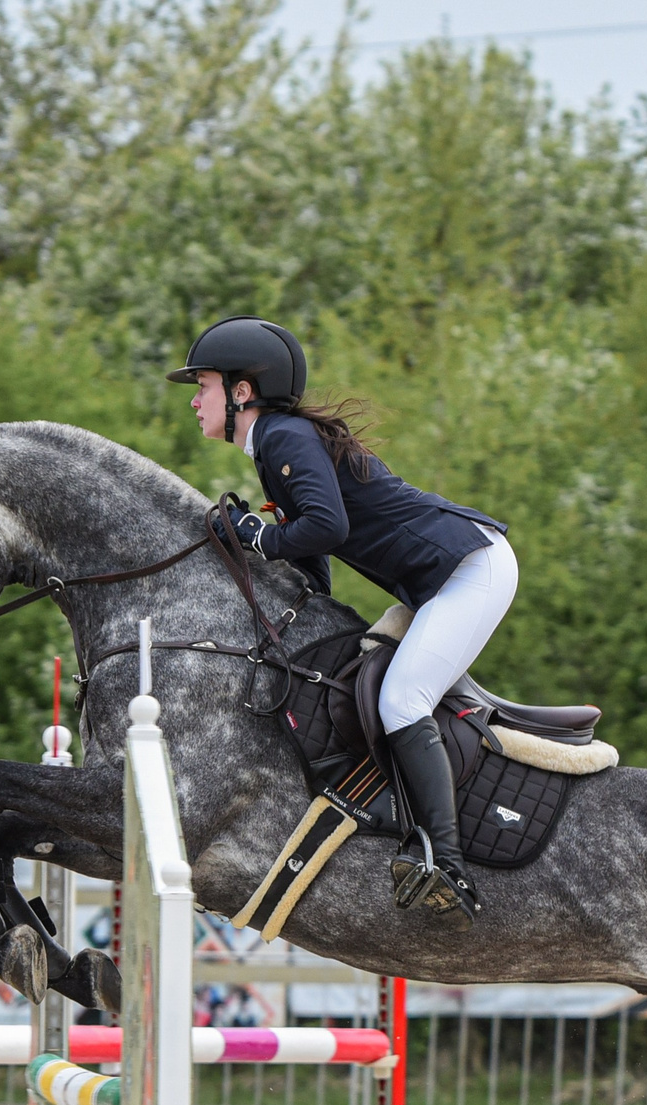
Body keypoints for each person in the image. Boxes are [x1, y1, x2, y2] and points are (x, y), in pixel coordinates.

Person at [170, 315, 513, 918]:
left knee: (402, 700)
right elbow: (314, 547)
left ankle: (447, 864)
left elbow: (327, 527)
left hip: (468, 569)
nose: (196, 401)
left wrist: (256, 535)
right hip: (446, 574)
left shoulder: (281, 436)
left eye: (204, 386)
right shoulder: (275, 441)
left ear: (242, 390)